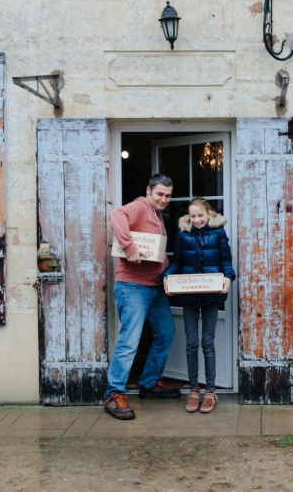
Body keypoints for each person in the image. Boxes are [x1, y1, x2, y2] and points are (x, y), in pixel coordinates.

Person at [104, 174, 181, 421]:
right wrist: (128, 247)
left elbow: (155, 250)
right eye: (160, 194)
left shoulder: (158, 215)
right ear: (149, 191)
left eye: (168, 195)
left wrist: (169, 274)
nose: (164, 199)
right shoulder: (140, 206)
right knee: (129, 342)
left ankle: (148, 384)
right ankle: (113, 394)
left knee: (166, 334)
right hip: (133, 286)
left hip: (155, 287)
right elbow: (116, 215)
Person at [163, 197, 236, 414]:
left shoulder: (219, 233)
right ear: (189, 217)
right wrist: (167, 278)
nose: (197, 220)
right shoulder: (183, 235)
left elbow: (226, 262)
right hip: (189, 297)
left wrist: (228, 278)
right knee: (192, 343)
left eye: (200, 216)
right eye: (193, 216)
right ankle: (194, 389)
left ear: (209, 215)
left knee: (208, 342)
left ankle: (211, 391)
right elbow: (176, 262)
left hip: (212, 296)